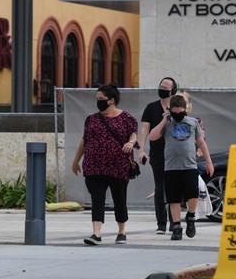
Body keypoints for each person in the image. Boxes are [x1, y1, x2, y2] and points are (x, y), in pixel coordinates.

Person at [71, 83, 139, 245]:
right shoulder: (91, 119)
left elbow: (134, 135)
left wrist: (130, 142)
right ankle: (96, 234)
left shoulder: (127, 118)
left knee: (119, 199)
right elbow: (84, 140)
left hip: (118, 167)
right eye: (97, 99)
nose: (99, 102)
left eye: (102, 99)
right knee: (97, 199)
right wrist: (76, 160)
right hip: (94, 166)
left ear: (112, 100)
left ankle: (122, 231)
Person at [149, 95, 214, 240]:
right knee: (174, 198)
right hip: (171, 167)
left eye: (180, 112)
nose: (178, 115)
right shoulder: (167, 123)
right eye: (175, 112)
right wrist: (164, 119)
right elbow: (152, 137)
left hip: (190, 165)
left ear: (185, 110)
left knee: (193, 195)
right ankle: (176, 226)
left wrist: (209, 161)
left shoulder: (192, 123)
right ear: (170, 110)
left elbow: (201, 143)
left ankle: (190, 217)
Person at [138, 77, 178, 234]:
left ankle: (174, 222)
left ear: (173, 90)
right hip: (157, 152)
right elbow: (144, 130)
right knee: (159, 186)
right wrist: (141, 150)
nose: (162, 88)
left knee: (173, 186)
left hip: (174, 152)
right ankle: (161, 223)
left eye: (166, 87)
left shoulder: (177, 106)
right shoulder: (151, 107)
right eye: (161, 85)